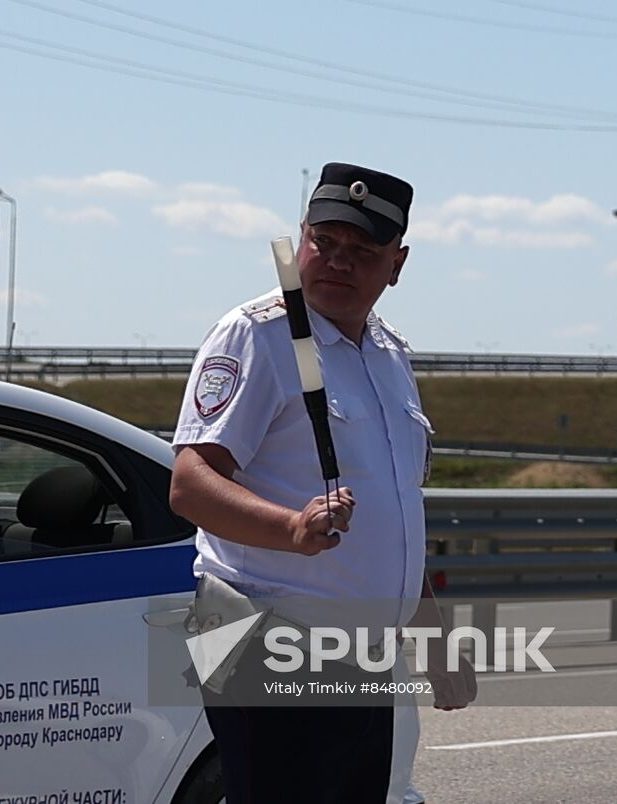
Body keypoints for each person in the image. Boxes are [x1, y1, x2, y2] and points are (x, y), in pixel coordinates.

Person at [170, 162, 475, 804]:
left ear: (397, 264)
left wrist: (431, 638)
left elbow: (397, 518)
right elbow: (192, 485)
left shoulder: (388, 356)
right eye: (324, 243)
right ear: (299, 238)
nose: (337, 262)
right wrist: (289, 528)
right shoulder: (258, 335)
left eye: (362, 251)